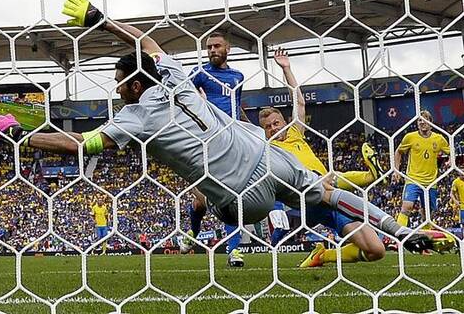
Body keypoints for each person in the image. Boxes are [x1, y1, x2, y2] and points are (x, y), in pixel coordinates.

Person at [0, 0, 440, 267]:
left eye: (119, 81)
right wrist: (99, 19)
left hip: (242, 199)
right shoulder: (178, 76)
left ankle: (236, 237)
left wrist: (20, 136)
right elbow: (147, 43)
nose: (116, 88)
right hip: (268, 160)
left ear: (135, 83)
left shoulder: (136, 114)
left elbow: (78, 144)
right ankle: (401, 231)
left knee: (228, 211)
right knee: (325, 190)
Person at [254, 48, 390, 267]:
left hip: (329, 195)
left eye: (276, 123)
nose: (273, 128)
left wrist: (287, 69)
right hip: (307, 196)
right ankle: (369, 176)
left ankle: (323, 256)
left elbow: (299, 102)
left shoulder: (295, 133)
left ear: (284, 121)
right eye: (267, 127)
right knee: (327, 180)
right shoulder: (267, 148)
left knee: (376, 250)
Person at [183, 30, 248, 265]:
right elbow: (182, 96)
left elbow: (236, 105)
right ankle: (194, 231)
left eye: (217, 46)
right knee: (200, 201)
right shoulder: (200, 73)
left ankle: (234, 250)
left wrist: (249, 130)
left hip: (231, 139)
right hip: (205, 138)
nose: (212, 50)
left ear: (227, 49)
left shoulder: (237, 76)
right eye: (209, 47)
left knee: (231, 195)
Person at [393, 111, 450, 232]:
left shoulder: (439, 139)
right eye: (419, 120)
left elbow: (452, 151)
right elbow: (398, 152)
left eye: (425, 120)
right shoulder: (410, 137)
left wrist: (450, 161)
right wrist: (396, 171)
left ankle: (426, 242)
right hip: (413, 179)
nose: (422, 122)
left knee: (427, 213)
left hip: (431, 181)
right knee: (407, 207)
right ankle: (397, 237)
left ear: (430, 123)